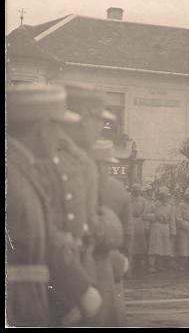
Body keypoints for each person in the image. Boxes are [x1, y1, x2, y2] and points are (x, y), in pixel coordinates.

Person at [6, 84, 101, 327]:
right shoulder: (14, 175)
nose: (60, 136)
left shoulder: (24, 170)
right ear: (42, 128)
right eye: (57, 126)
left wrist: (76, 291)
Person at [50, 83, 125, 326]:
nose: (100, 127)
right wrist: (111, 228)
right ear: (80, 119)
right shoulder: (70, 161)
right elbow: (76, 227)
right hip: (71, 278)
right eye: (96, 119)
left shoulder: (76, 158)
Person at [90, 139, 132, 326]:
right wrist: (125, 261)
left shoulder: (78, 183)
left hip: (85, 257)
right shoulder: (118, 188)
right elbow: (127, 231)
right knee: (111, 310)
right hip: (111, 257)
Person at [144, 187, 177, 272]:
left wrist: (173, 231)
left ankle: (160, 264)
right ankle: (151, 265)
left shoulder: (170, 206)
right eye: (163, 196)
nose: (165, 198)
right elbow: (144, 215)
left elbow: (172, 220)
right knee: (154, 247)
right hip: (156, 227)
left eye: (166, 196)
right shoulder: (154, 205)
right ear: (160, 196)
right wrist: (155, 217)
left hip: (165, 227)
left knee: (164, 247)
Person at [129, 184, 149, 271]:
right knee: (131, 242)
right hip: (130, 221)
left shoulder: (143, 200)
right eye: (135, 190)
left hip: (140, 221)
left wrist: (141, 215)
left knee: (140, 242)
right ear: (132, 190)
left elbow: (146, 210)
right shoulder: (128, 199)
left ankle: (139, 262)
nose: (136, 192)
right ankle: (131, 262)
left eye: (138, 190)